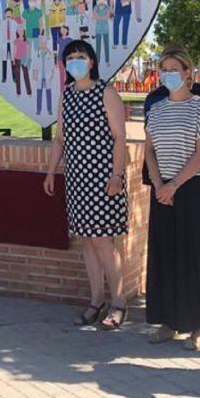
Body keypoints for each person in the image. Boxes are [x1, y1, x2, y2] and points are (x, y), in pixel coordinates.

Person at [43, 40, 128, 330]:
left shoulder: (106, 92)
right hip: (78, 182)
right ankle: (97, 301)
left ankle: (119, 303)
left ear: (91, 61)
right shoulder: (67, 95)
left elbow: (119, 137)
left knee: (103, 241)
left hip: (105, 181)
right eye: (70, 57)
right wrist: (51, 172)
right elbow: (59, 139)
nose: (75, 61)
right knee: (87, 243)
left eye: (81, 56)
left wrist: (116, 176)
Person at [143, 62, 200, 326]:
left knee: (195, 256)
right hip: (162, 191)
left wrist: (174, 185)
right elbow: (150, 151)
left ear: (187, 72)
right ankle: (168, 322)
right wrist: (159, 185)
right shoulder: (155, 109)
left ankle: (199, 326)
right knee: (166, 255)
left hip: (191, 188)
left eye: (174, 68)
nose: (168, 73)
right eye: (163, 68)